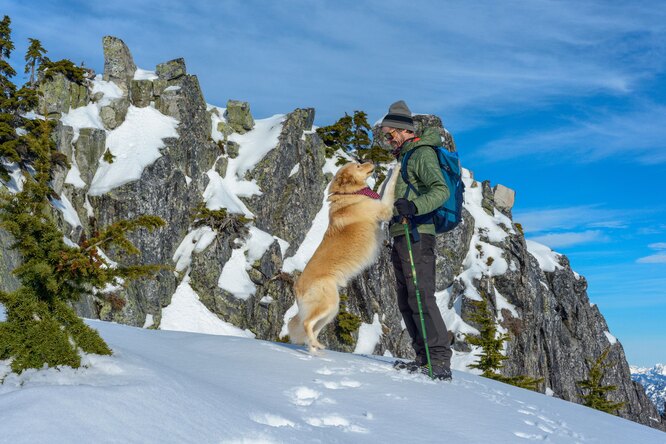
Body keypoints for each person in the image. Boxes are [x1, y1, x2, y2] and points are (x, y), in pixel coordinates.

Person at [381, 100, 453, 381]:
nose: (388, 140)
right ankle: (423, 358)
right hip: (402, 234)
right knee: (406, 298)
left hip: (418, 234)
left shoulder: (422, 153)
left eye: (389, 135)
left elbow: (440, 190)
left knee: (421, 296)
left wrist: (415, 208)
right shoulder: (406, 157)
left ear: (402, 131)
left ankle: (439, 362)